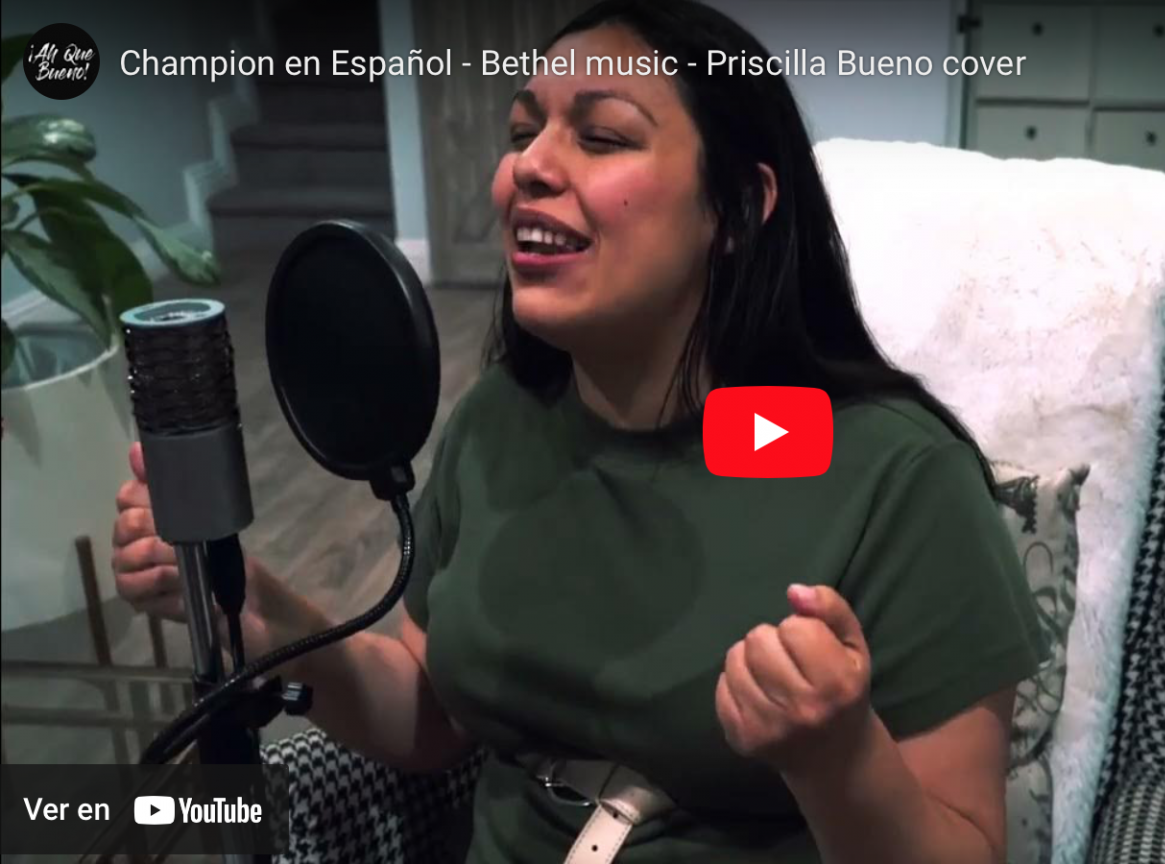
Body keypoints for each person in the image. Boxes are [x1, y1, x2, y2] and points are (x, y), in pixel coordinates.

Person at [111, 1, 1047, 861]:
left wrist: (838, 758)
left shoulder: (899, 476)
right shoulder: (498, 422)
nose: (530, 166)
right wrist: (266, 617)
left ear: (737, 208)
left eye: (601, 137)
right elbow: (432, 716)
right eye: (523, 133)